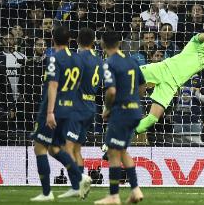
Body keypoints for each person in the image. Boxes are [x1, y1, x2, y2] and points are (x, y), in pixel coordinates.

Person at [30, 26, 91, 201]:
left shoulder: (54, 58)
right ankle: (79, 179)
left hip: (53, 110)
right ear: (70, 40)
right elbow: (79, 84)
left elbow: (53, 85)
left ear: (53, 40)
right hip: (69, 109)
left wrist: (50, 112)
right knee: (55, 148)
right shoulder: (78, 59)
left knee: (39, 147)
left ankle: (47, 193)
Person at [135, 31, 204, 135]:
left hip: (170, 85)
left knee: (153, 119)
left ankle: (126, 134)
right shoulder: (196, 42)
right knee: (131, 73)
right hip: (163, 69)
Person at [94, 29, 145, 205]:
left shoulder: (109, 63)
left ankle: (114, 196)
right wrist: (133, 99)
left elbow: (111, 91)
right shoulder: (131, 61)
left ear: (102, 43)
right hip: (135, 112)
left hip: (121, 112)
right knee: (121, 151)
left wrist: (107, 108)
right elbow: (142, 84)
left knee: (112, 152)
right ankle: (136, 190)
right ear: (120, 43)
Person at [59, 28, 103, 198]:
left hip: (77, 106)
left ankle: (79, 180)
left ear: (77, 41)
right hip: (91, 105)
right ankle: (78, 187)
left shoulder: (77, 58)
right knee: (77, 149)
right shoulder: (99, 60)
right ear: (93, 41)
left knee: (67, 148)